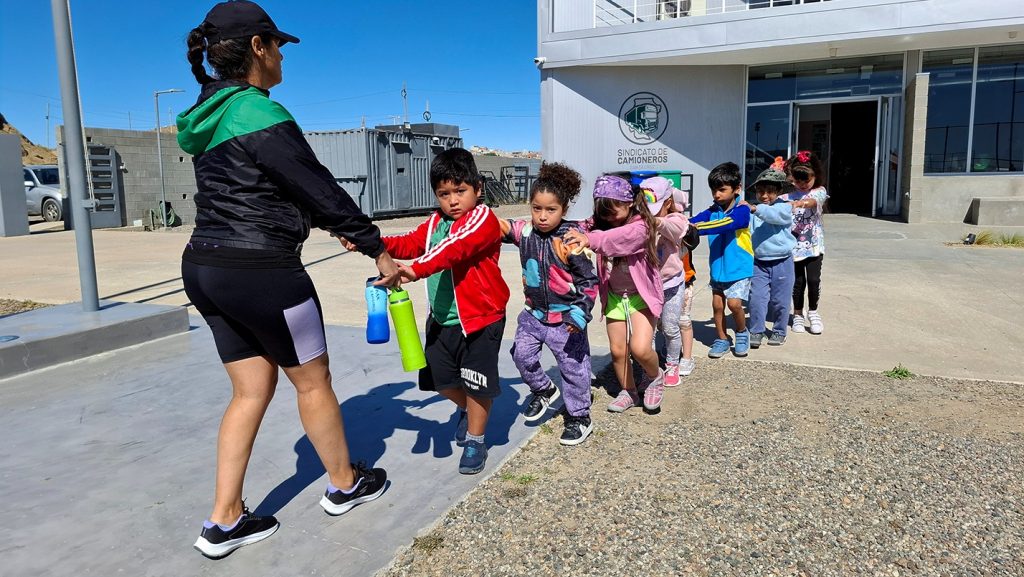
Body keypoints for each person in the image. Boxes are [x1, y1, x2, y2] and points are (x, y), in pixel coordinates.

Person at [178, 1, 396, 559]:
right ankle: (345, 484)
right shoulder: (256, 111)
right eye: (276, 45)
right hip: (263, 272)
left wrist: (326, 223)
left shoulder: (209, 112)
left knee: (250, 390)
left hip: (205, 266)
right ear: (257, 48)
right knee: (312, 380)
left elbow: (261, 189)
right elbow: (315, 186)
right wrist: (375, 246)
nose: (281, 57)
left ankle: (223, 521)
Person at [377, 148, 509, 474]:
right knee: (439, 380)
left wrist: (413, 270)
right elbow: (410, 242)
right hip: (441, 318)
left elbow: (454, 249)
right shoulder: (436, 220)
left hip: (480, 319)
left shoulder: (483, 219)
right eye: (443, 193)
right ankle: (469, 409)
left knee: (477, 383)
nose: (452, 200)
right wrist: (372, 241)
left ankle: (476, 440)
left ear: (477, 189)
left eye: (460, 191)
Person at [500, 163, 599, 446]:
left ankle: (579, 416)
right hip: (532, 316)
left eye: (550, 210)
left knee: (574, 369)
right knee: (521, 355)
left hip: (566, 320)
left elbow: (589, 282)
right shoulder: (525, 233)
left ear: (564, 210)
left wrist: (579, 314)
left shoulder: (571, 240)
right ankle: (543, 390)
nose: (542, 216)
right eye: (536, 208)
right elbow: (498, 226)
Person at [564, 175, 664, 413]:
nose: (608, 218)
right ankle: (628, 390)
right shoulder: (601, 224)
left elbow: (620, 239)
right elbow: (577, 227)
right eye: (603, 213)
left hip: (641, 296)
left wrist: (589, 239)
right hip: (616, 296)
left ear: (629, 203)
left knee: (640, 348)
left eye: (613, 211)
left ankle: (654, 376)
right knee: (618, 351)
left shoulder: (641, 226)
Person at [690, 162, 754, 358]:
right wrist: (682, 224)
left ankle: (742, 333)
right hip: (718, 267)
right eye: (713, 190)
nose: (716, 194)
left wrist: (698, 229)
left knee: (734, 305)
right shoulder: (713, 209)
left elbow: (729, 224)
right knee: (717, 306)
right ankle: (721, 338)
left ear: (737, 189)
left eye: (722, 189)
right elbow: (696, 219)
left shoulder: (742, 210)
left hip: (739, 268)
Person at [639, 176, 695, 388]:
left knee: (671, 328)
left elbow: (675, 231)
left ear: (669, 202)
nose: (649, 213)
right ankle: (650, 369)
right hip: (646, 286)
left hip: (671, 284)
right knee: (648, 332)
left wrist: (656, 221)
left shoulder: (677, 219)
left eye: (655, 207)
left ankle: (672, 364)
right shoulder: (639, 220)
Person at [745, 158, 797, 348]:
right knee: (757, 298)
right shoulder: (754, 211)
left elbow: (773, 215)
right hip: (759, 262)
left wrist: (755, 209)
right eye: (760, 191)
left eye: (770, 191)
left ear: (779, 192)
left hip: (783, 262)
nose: (764, 195)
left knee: (780, 300)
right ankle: (756, 330)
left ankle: (779, 331)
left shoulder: (783, 207)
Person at [781, 150, 829, 335]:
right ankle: (798, 314)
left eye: (805, 180)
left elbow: (812, 202)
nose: (801, 185)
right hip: (794, 249)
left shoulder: (819, 191)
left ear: (815, 176)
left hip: (814, 246)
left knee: (814, 280)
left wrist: (798, 204)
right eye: (797, 180)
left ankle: (814, 312)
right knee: (797, 282)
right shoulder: (788, 196)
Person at [671, 186, 699, 380]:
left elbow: (691, 243)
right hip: (661, 283)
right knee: (663, 324)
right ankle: (668, 354)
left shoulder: (684, 227)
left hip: (684, 281)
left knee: (683, 320)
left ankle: (687, 357)